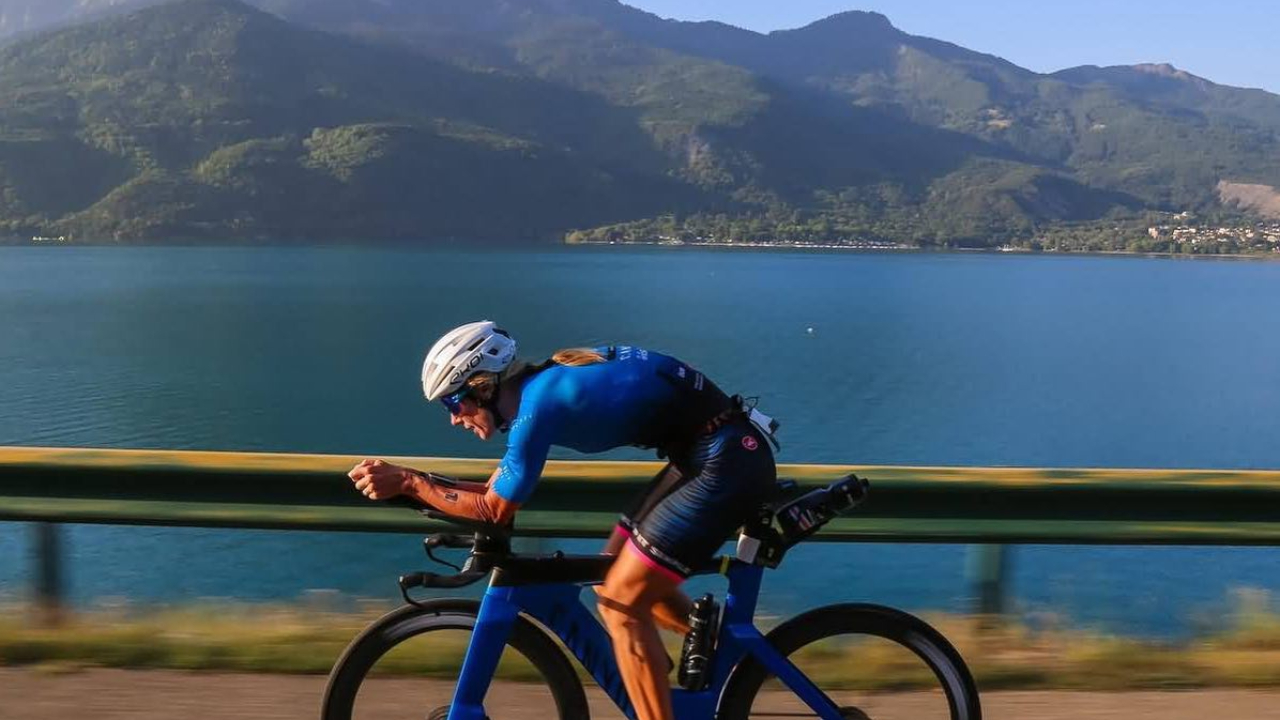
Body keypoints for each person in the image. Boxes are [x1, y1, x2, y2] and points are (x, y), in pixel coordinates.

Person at [347, 320, 777, 720]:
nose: (453, 417)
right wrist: (414, 482)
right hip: (710, 453)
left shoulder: (539, 406)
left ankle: (697, 677)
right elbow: (493, 492)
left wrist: (408, 481)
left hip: (725, 462)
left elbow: (493, 509)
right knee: (614, 576)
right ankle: (732, 659)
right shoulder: (538, 391)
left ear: (483, 387)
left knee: (622, 604)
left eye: (454, 401)